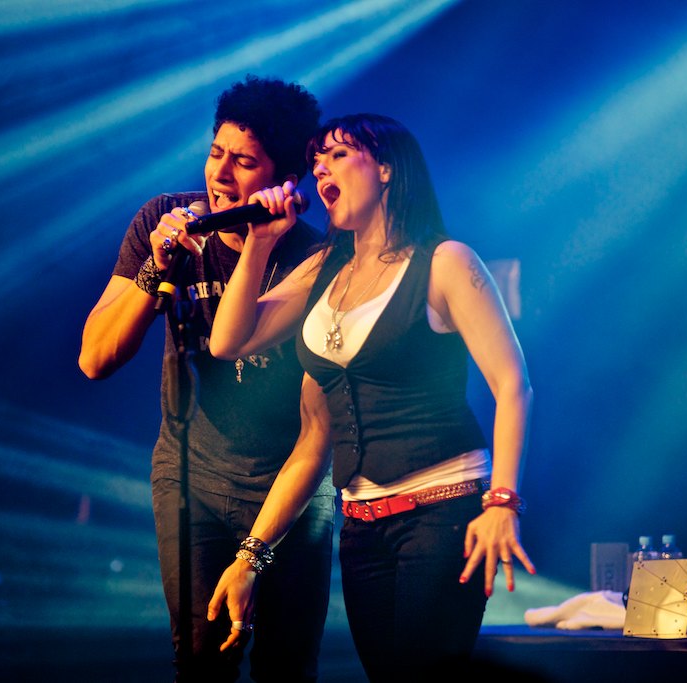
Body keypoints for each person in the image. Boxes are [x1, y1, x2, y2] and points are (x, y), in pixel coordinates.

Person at [206, 113, 535, 681]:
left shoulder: (444, 262)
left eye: (337, 155)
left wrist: (502, 503)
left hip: (441, 514)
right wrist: (260, 243)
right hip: (361, 527)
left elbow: (512, 385)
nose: (319, 171)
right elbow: (229, 343)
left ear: (385, 168)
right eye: (315, 163)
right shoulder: (324, 271)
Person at [78, 75, 335, 683]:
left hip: (288, 490)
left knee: (287, 667)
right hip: (190, 476)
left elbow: (318, 430)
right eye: (216, 152)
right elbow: (95, 359)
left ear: (285, 180)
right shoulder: (163, 221)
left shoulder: (315, 259)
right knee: (198, 663)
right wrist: (155, 269)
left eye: (243, 162)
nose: (220, 174)